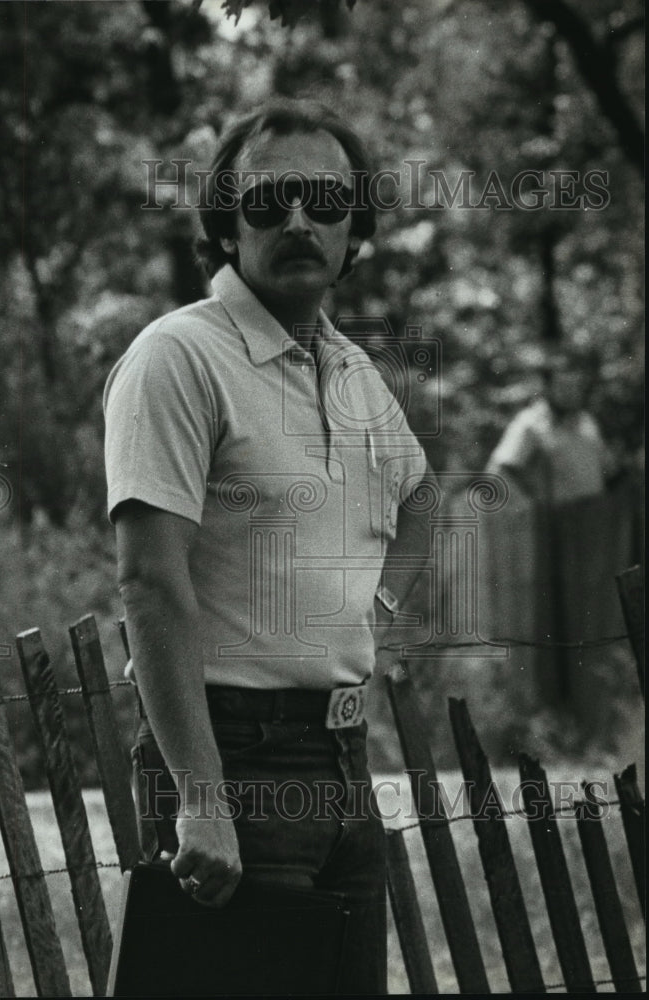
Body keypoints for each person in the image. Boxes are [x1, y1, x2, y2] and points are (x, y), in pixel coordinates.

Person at [103, 97, 433, 994]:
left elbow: (423, 499)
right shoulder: (178, 358)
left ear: (354, 230)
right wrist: (202, 800)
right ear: (225, 219)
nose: (298, 220)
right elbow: (148, 583)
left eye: (325, 203)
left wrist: (374, 606)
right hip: (229, 756)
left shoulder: (354, 371)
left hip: (343, 759)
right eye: (270, 199)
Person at [486, 347, 612, 505]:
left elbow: (608, 471)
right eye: (565, 387)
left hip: (595, 519)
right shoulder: (530, 423)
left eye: (577, 386)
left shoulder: (587, 422)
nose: (572, 393)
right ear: (547, 387)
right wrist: (528, 511)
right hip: (551, 523)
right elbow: (499, 473)